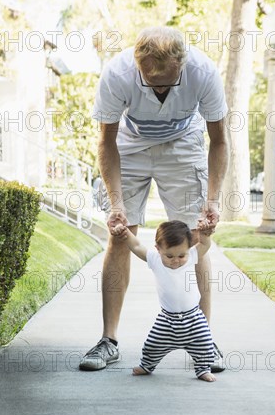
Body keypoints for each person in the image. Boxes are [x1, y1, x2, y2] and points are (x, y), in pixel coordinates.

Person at [79, 26, 228, 372]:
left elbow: (220, 141)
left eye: (168, 82)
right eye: (151, 81)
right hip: (130, 144)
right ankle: (108, 340)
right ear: (137, 64)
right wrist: (117, 203)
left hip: (183, 142)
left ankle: (202, 342)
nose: (159, 87)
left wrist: (213, 200)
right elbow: (106, 143)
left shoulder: (203, 73)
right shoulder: (117, 74)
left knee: (194, 237)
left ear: (182, 63)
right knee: (119, 235)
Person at [113, 219, 217, 381]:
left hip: (194, 319)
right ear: (158, 249)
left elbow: (205, 245)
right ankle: (146, 365)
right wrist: (126, 234)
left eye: (181, 255)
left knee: (205, 344)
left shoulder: (191, 257)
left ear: (188, 250)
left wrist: (205, 234)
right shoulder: (155, 259)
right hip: (167, 320)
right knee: (152, 345)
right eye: (169, 256)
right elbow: (137, 246)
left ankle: (203, 369)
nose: (175, 260)